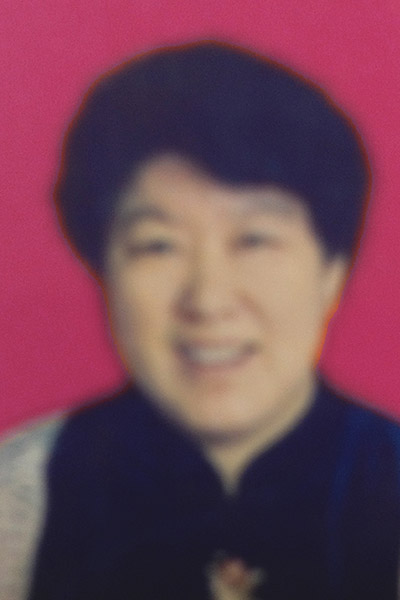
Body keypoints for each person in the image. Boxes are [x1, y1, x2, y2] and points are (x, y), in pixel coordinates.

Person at [1, 40, 399, 599]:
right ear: (103, 271)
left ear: (333, 272)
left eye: (254, 240)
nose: (208, 300)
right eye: (158, 245)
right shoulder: (18, 496)